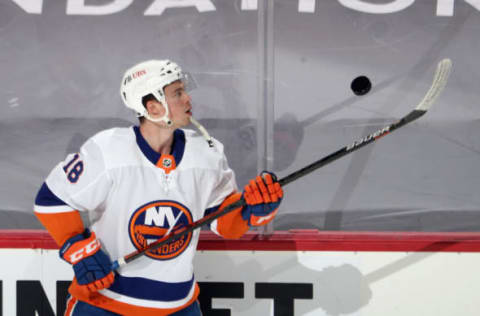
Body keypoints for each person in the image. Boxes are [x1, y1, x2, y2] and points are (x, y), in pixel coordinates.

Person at [33, 59, 283, 315]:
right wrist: (79, 248)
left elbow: (224, 224)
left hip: (178, 307)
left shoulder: (207, 154)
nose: (188, 99)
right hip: (104, 305)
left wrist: (252, 208)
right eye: (177, 93)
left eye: (184, 91)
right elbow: (51, 199)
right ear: (152, 107)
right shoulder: (108, 150)